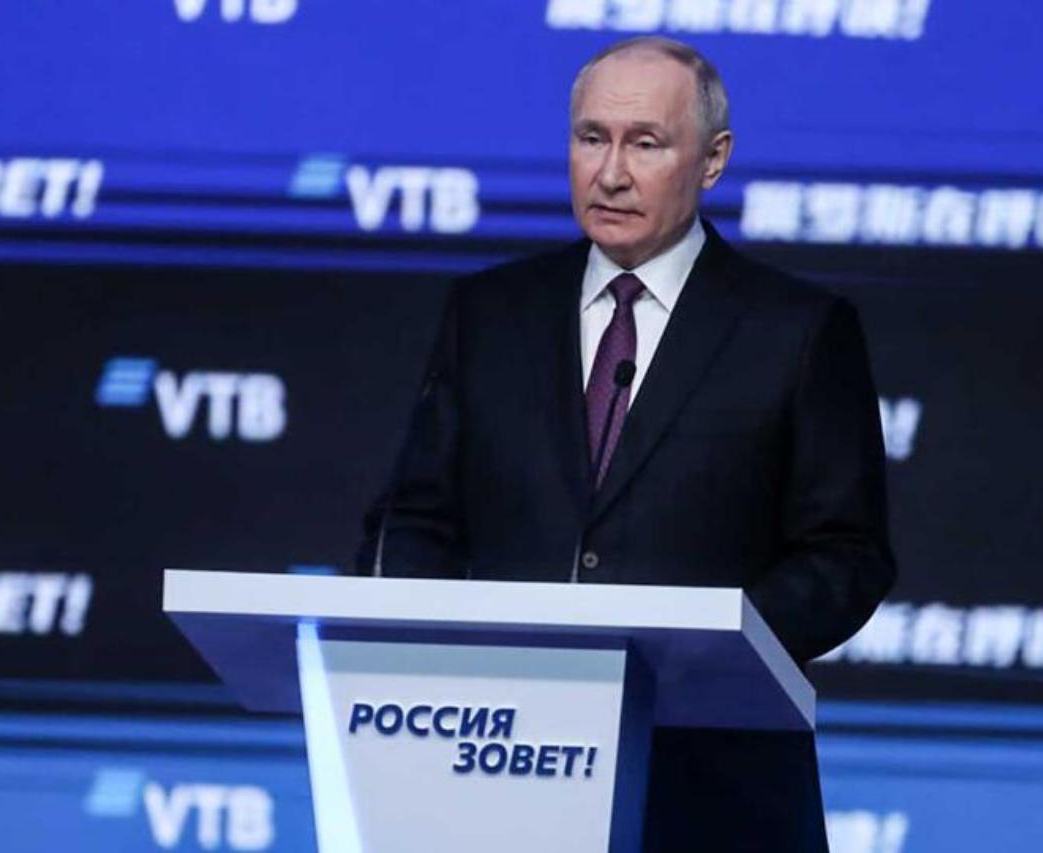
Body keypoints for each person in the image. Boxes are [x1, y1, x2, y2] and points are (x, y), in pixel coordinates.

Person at [359, 35, 895, 852]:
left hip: (713, 784)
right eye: (591, 138)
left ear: (713, 160)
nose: (610, 173)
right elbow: (415, 519)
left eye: (645, 143)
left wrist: (700, 649)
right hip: (498, 767)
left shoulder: (799, 330)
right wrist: (420, 656)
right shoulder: (489, 313)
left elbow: (846, 554)